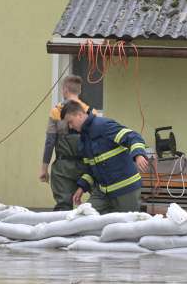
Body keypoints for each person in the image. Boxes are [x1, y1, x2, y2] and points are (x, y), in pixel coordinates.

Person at [60, 100, 149, 214]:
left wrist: (138, 155)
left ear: (80, 115)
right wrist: (82, 187)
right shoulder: (83, 141)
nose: (70, 126)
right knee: (82, 217)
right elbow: (90, 169)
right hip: (103, 193)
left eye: (70, 122)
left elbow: (132, 137)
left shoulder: (103, 126)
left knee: (125, 228)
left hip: (125, 190)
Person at [40, 75, 94, 211]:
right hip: (87, 166)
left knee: (63, 207)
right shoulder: (90, 112)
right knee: (99, 202)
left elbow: (50, 142)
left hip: (63, 168)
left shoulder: (56, 112)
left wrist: (44, 169)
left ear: (64, 90)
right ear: (79, 91)